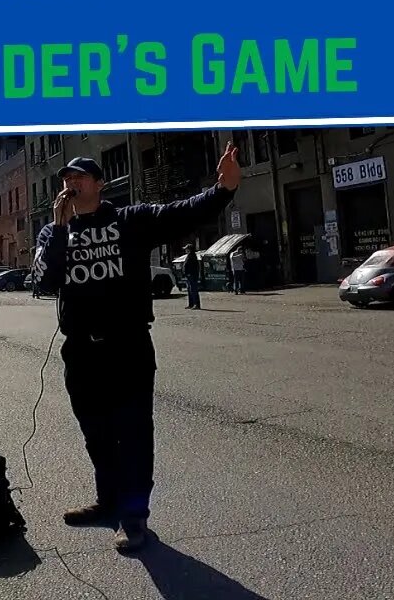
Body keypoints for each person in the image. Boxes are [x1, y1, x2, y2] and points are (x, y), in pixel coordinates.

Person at [30, 142, 241, 552]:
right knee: (96, 433)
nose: (70, 183)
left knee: (134, 434)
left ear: (100, 184)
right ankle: (107, 502)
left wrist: (223, 190)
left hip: (127, 347)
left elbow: (181, 212)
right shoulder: (54, 231)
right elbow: (44, 281)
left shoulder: (130, 220)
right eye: (66, 179)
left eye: (79, 177)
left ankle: (134, 518)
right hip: (81, 353)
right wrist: (57, 228)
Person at [183, 244, 201, 310]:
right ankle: (191, 304)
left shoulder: (192, 256)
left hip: (192, 276)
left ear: (189, 249)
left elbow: (193, 267)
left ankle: (196, 304)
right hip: (189, 276)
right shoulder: (189, 255)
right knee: (190, 290)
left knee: (193, 290)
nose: (185, 250)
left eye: (186, 249)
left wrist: (190, 273)